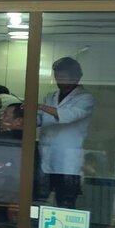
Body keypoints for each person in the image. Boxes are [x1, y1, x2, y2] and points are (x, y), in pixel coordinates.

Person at [37, 57, 95, 209]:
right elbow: (40, 118)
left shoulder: (85, 98)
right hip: (46, 156)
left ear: (76, 77)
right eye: (57, 77)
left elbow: (68, 116)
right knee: (41, 200)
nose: (59, 81)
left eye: (63, 77)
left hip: (68, 161)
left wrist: (40, 106)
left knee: (65, 202)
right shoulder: (50, 96)